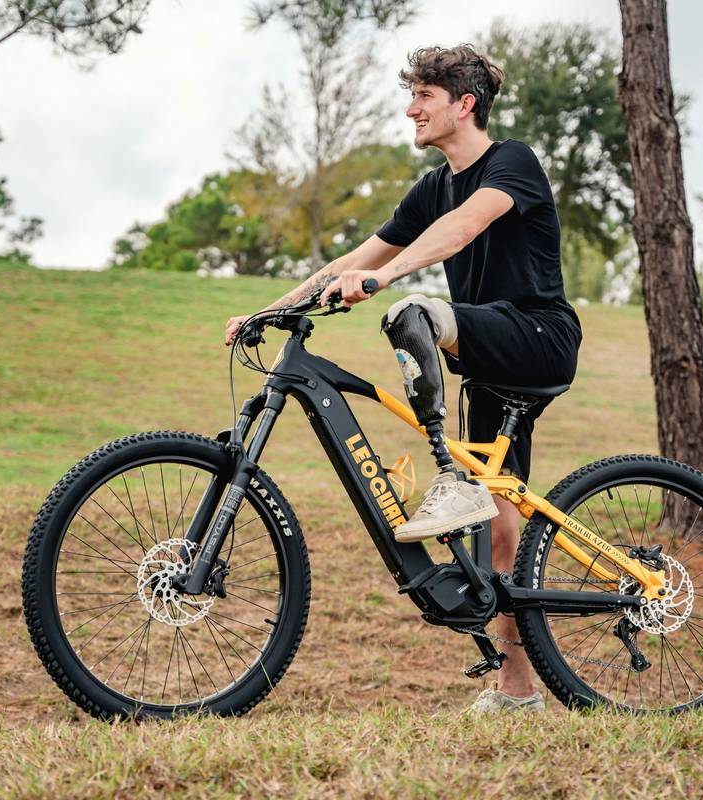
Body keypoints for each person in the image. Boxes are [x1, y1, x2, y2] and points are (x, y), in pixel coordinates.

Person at [224, 44, 581, 714]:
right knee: (501, 528)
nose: (410, 108)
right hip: (483, 363)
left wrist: (387, 280)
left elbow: (463, 227)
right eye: (411, 94)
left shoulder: (512, 162)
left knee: (412, 311)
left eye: (423, 95)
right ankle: (517, 694)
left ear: (463, 104)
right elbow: (356, 257)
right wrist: (270, 312)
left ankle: (448, 478)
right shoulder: (431, 187)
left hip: (538, 337)